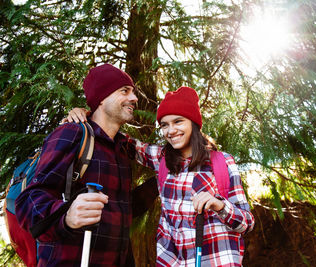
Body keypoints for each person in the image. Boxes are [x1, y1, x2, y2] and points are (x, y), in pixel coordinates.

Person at [67, 86, 255, 266]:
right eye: (164, 125)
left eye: (178, 121)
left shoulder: (222, 162)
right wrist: (87, 116)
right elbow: (116, 135)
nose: (171, 131)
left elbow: (246, 223)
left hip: (216, 260)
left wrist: (219, 205)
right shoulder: (161, 159)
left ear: (194, 123)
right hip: (170, 261)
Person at [16, 64, 139, 266]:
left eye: (133, 92)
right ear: (101, 98)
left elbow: (121, 212)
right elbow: (29, 200)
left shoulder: (123, 149)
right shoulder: (73, 133)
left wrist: (161, 186)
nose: (134, 98)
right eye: (124, 91)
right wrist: (66, 216)